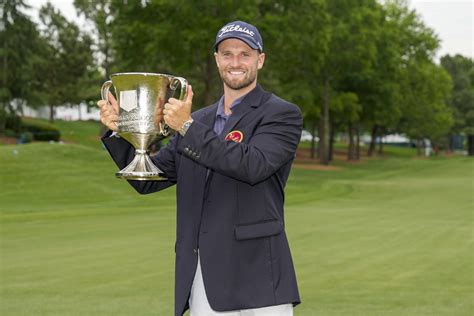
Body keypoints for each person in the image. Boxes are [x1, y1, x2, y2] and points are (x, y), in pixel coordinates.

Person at [97, 20, 302, 316]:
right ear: (217, 60)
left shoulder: (281, 113)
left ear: (260, 60)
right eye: (227, 54)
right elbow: (148, 179)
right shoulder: (198, 121)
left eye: (245, 54)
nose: (235, 62)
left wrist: (188, 127)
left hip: (259, 277)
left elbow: (252, 165)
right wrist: (121, 133)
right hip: (204, 280)